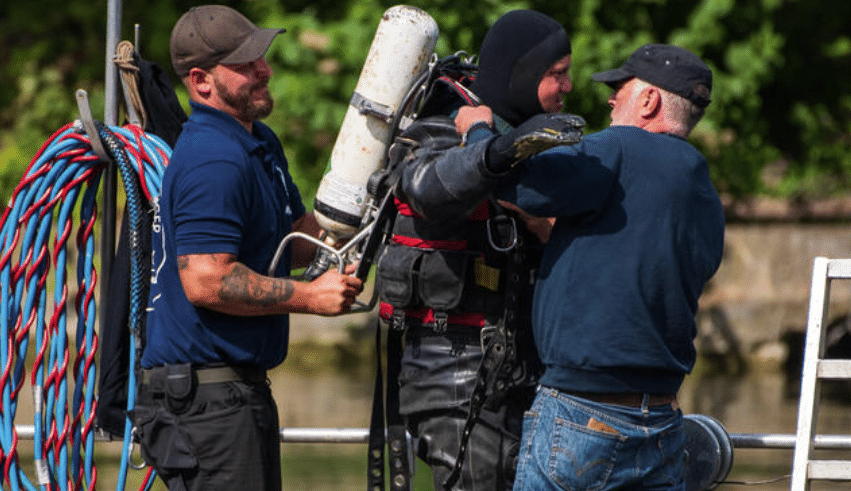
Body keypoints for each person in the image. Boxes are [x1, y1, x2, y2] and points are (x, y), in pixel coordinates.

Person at [459, 43, 725, 491]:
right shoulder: (700, 185)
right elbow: (640, 264)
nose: (609, 99)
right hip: (661, 420)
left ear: (649, 101)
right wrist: (554, 230)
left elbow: (515, 181)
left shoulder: (617, 149)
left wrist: (478, 132)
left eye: (619, 89)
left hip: (582, 413)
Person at [134, 6, 363, 491]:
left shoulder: (257, 141)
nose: (265, 70)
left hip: (234, 396)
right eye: (246, 64)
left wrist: (365, 228)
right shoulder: (211, 159)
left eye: (261, 57)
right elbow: (206, 278)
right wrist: (311, 298)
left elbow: (291, 234)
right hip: (206, 406)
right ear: (201, 82)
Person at [374, 10, 584, 491]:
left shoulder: (537, 142)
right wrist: (491, 149)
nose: (568, 85)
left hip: (518, 376)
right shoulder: (441, 132)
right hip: (455, 378)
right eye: (557, 73)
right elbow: (426, 188)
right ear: (522, 74)